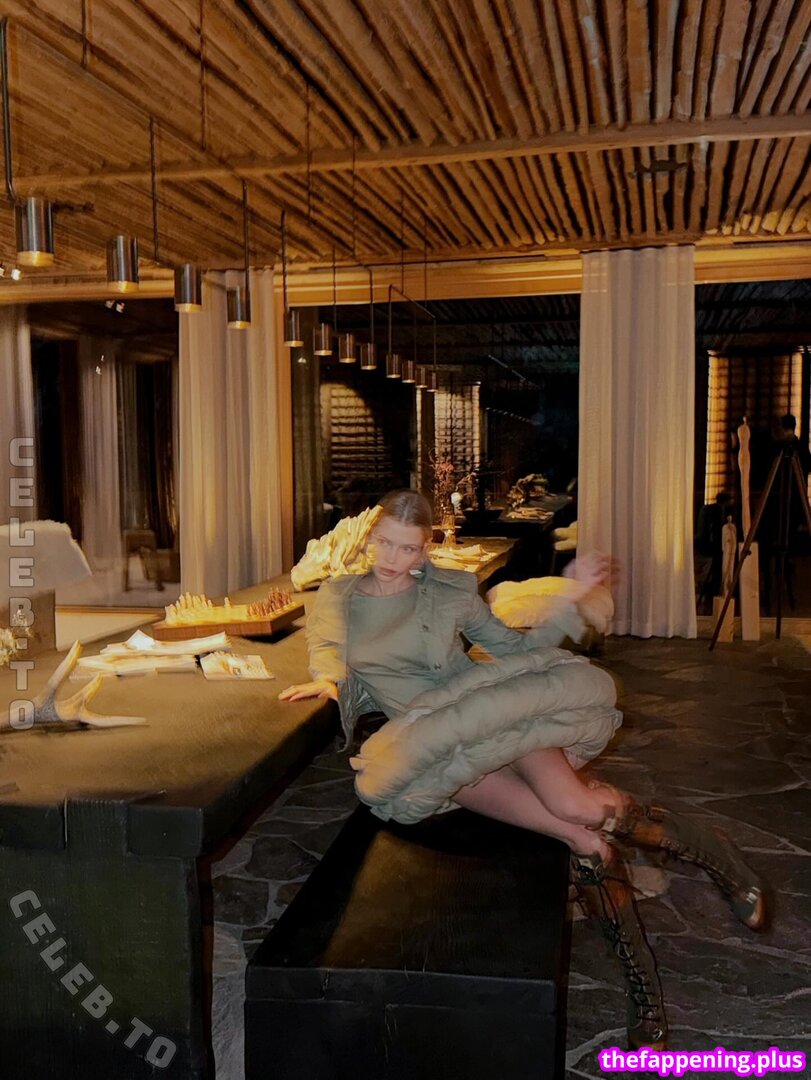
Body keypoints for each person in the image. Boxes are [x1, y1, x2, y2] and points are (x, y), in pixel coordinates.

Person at [280, 490, 766, 1051]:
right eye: (385, 543)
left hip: (492, 708)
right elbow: (326, 655)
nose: (393, 558)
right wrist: (326, 683)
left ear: (425, 549)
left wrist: (572, 595)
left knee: (575, 803)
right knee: (580, 837)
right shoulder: (338, 597)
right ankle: (646, 999)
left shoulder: (450, 590)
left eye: (408, 549)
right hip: (438, 747)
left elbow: (513, 650)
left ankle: (718, 857)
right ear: (370, 537)